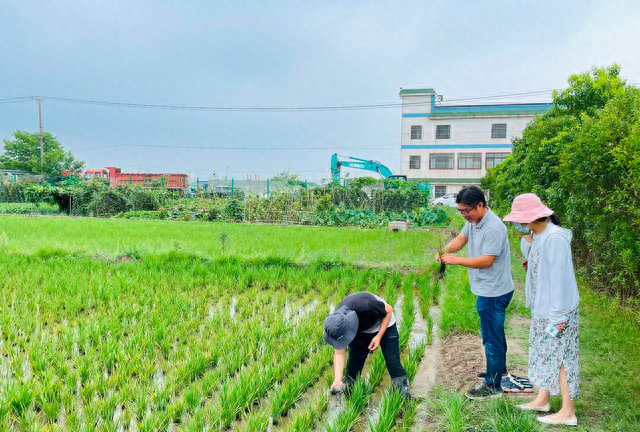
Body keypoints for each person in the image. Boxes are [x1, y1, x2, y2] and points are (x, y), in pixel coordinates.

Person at [503, 193, 580, 426]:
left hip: (558, 310)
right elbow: (532, 263)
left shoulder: (555, 238)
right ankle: (542, 399)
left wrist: (558, 316)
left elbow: (558, 279)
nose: (518, 224)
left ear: (531, 217)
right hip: (543, 306)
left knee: (563, 358)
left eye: (521, 219)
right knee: (544, 353)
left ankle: (568, 412)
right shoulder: (538, 236)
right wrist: (528, 242)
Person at [437, 186, 514, 399]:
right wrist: (445, 251)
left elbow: (487, 261)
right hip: (488, 288)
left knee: (491, 337)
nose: (464, 215)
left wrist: (457, 260)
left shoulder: (494, 227)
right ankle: (500, 369)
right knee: (495, 333)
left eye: (466, 211)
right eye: (461, 211)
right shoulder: (474, 221)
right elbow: (461, 239)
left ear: (480, 205)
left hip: (494, 291)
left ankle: (493, 384)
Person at [323, 291, 411, 399]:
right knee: (352, 368)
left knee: (393, 364)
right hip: (361, 330)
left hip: (385, 324)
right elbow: (339, 352)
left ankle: (405, 401)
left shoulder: (366, 305)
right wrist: (337, 379)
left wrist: (378, 336)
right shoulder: (336, 324)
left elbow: (388, 310)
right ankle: (352, 403)